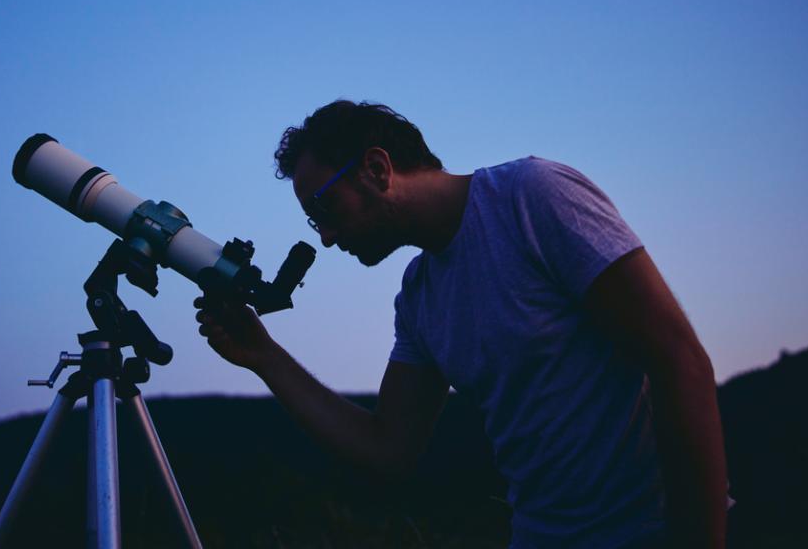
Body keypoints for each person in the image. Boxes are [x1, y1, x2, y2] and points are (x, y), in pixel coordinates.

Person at [195, 100, 728, 549]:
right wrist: (264, 356)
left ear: (377, 169)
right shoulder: (420, 296)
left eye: (326, 206)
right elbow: (388, 448)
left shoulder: (533, 196)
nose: (327, 236)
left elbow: (678, 359)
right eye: (315, 220)